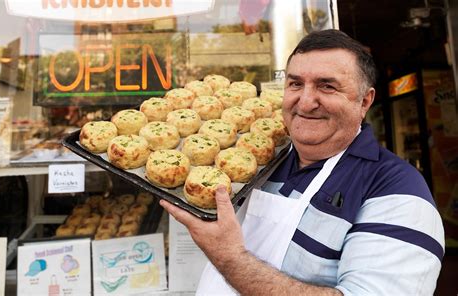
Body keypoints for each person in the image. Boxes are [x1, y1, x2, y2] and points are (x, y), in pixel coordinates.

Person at [160, 29, 445, 295]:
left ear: (364, 101)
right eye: (296, 83)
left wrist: (232, 260)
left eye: (327, 86)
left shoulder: (397, 190)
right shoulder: (258, 160)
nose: (306, 102)